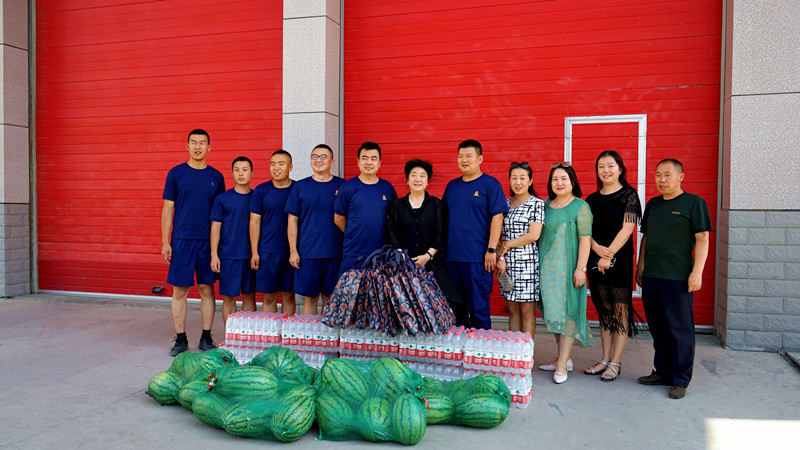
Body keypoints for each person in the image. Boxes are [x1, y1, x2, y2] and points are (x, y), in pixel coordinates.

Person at [636, 158, 711, 400]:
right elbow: (646, 238)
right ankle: (662, 371)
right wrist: (640, 267)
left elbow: (702, 239)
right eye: (658, 175)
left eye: (667, 174)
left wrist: (697, 272)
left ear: (681, 176)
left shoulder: (693, 203)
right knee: (658, 329)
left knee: (679, 330)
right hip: (652, 276)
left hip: (678, 278)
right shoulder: (653, 204)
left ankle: (680, 379)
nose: (662, 179)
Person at [161, 129, 225, 356]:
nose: (198, 146)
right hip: (181, 241)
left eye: (203, 143)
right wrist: (165, 241)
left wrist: (218, 248)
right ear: (187, 146)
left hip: (207, 243)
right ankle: (180, 339)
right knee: (180, 290)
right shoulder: (176, 174)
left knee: (207, 289)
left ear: (210, 147)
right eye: (193, 142)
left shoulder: (216, 177)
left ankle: (206, 337)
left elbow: (220, 214)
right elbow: (168, 209)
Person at [583, 150, 642, 382]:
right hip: (595, 258)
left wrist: (609, 254)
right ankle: (604, 359)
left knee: (620, 310)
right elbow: (585, 231)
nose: (605, 170)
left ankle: (616, 362)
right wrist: (597, 250)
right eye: (601, 166)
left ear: (620, 168)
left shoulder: (630, 195)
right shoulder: (591, 199)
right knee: (604, 311)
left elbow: (628, 228)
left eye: (610, 165)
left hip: (620, 260)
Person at [537, 162, 594, 384]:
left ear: (572, 182)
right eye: (555, 179)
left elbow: (585, 239)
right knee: (553, 314)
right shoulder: (545, 205)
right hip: (546, 271)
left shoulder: (580, 206)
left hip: (568, 271)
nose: (559, 183)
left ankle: (562, 364)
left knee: (568, 313)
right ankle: (564, 357)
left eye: (563, 179)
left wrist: (581, 268)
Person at [442, 139, 508, 329]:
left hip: (478, 259)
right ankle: (458, 355)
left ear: (479, 159)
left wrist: (491, 249)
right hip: (453, 259)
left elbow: (498, 217)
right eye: (461, 156)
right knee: (456, 312)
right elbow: (443, 219)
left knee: (479, 311)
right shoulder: (452, 186)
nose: (464, 160)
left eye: (469, 156)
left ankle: (479, 356)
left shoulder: (490, 184)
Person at [385, 159, 461, 305]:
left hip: (431, 262)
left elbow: (441, 233)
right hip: (403, 264)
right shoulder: (397, 205)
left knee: (443, 302)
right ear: (407, 180)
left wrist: (428, 256)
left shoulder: (436, 204)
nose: (417, 179)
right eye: (413, 175)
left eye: (422, 176)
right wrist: (403, 256)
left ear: (427, 181)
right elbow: (391, 232)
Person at [285, 144, 345, 314]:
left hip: (335, 253)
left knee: (331, 298)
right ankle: (310, 339)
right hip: (308, 254)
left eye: (323, 156)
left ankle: (328, 339)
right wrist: (293, 251)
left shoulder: (343, 186)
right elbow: (292, 221)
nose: (319, 160)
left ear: (332, 161)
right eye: (315, 156)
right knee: (309, 298)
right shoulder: (300, 187)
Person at [496, 161, 545, 337]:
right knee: (513, 309)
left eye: (522, 178)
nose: (518, 182)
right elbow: (497, 233)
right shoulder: (505, 203)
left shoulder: (536, 204)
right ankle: (514, 354)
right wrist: (500, 258)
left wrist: (507, 245)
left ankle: (526, 354)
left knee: (526, 311)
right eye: (514, 178)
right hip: (507, 264)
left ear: (530, 181)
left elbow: (534, 235)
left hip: (528, 264)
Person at [334, 141, 397, 276]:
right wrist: (353, 233)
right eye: (365, 158)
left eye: (373, 159)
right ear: (358, 161)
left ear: (380, 163)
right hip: (353, 253)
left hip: (380, 254)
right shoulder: (347, 187)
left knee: (376, 296)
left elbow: (394, 220)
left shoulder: (387, 188)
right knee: (351, 295)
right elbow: (338, 218)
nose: (369, 162)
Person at [249, 150, 296, 315]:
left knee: (289, 295)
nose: (276, 167)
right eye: (273, 164)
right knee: (269, 297)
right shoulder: (261, 190)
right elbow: (254, 222)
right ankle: (270, 335)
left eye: (281, 164)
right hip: (267, 251)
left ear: (290, 167)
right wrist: (255, 252)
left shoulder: (298, 189)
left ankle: (286, 336)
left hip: (291, 252)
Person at [211, 156, 257, 323]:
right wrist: (214, 255)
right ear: (232, 173)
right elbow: (215, 227)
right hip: (228, 256)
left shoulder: (257, 197)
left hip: (250, 256)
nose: (241, 173)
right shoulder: (222, 199)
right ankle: (230, 337)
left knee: (249, 296)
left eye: (245, 170)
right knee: (229, 298)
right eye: (237, 170)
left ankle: (247, 337)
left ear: (252, 173)